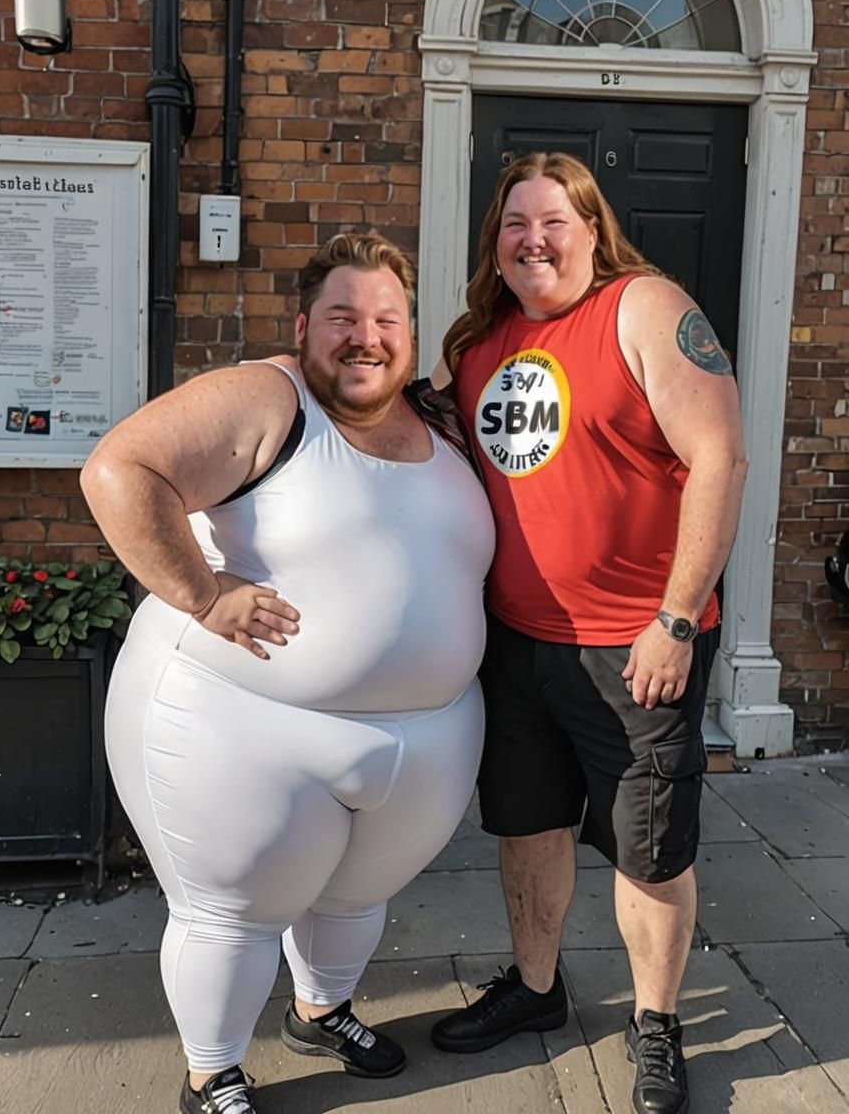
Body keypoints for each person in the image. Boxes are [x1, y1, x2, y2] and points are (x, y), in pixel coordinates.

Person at [80, 233, 494, 1114]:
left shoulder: (441, 421)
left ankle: (320, 1010)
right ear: (305, 326)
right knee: (232, 914)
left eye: (387, 319)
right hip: (242, 721)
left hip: (420, 735)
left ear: (411, 336)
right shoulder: (269, 397)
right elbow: (120, 469)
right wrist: (201, 591)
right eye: (343, 317)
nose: (365, 337)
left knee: (353, 893)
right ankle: (212, 1072)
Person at [429, 152, 747, 1114]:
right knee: (528, 825)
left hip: (637, 644)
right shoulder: (478, 344)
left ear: (593, 231)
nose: (534, 239)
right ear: (495, 240)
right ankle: (535, 990)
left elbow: (720, 457)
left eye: (555, 221)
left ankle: (657, 1026)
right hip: (516, 643)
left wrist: (677, 621)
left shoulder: (643, 308)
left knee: (651, 850)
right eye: (515, 222)